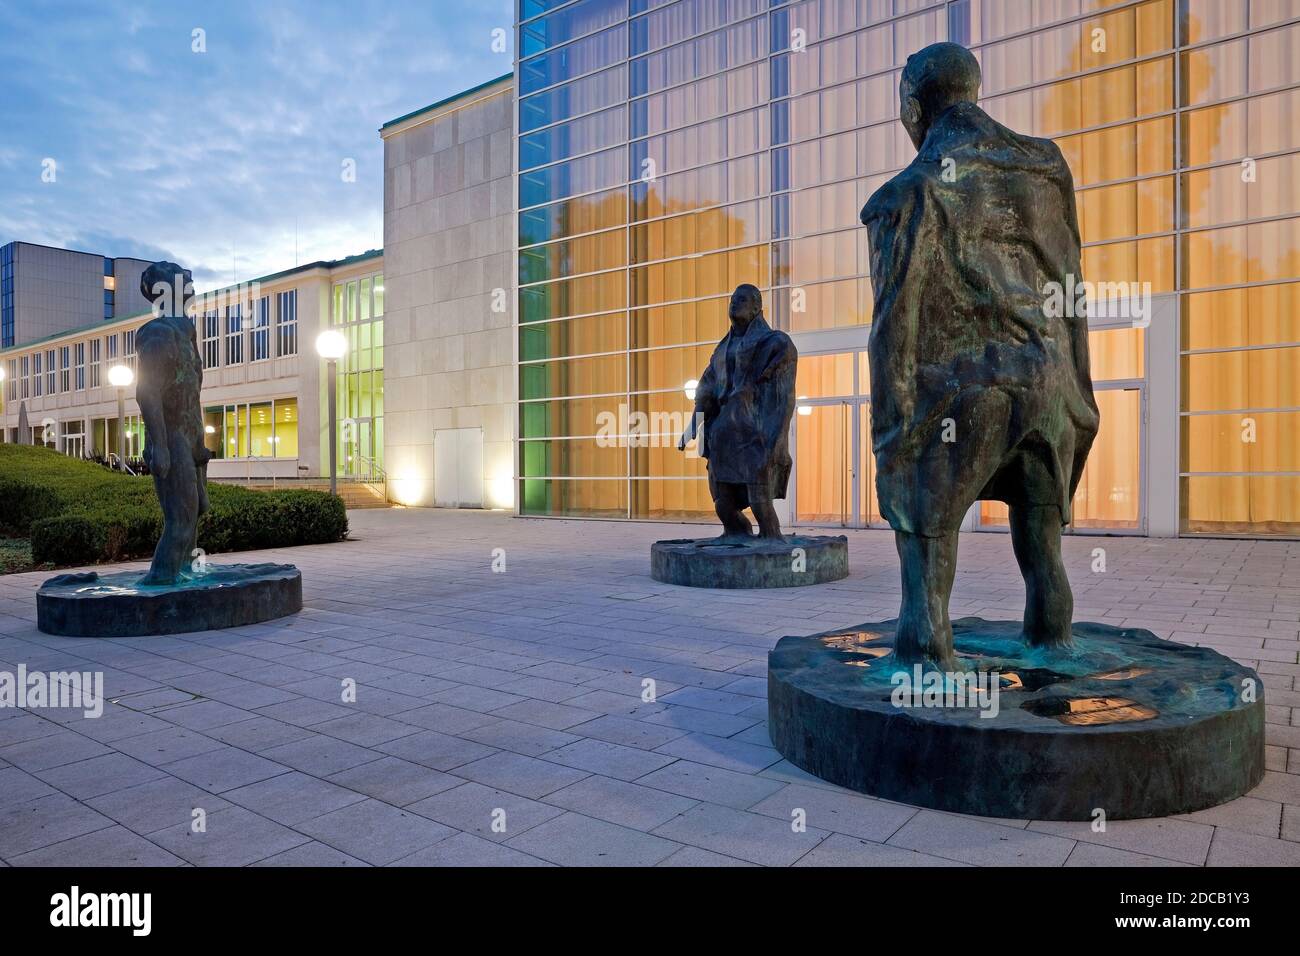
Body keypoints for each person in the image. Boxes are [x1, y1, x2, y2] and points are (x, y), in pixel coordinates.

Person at [860, 42, 1099, 668]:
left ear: (913, 107)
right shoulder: (1047, 167)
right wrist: (1078, 393)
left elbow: (895, 323)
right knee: (1041, 541)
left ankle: (925, 653)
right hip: (1050, 383)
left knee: (925, 525)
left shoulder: (904, 196)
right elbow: (1070, 288)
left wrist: (894, 428)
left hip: (970, 390)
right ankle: (1052, 643)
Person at [678, 284, 797, 541]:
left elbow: (783, 400)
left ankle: (772, 541)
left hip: (754, 437)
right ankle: (736, 534)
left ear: (757, 308)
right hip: (722, 438)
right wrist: (691, 428)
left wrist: (774, 441)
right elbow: (705, 391)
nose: (734, 303)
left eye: (741, 299)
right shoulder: (722, 350)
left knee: (760, 504)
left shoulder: (776, 343)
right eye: (732, 299)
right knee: (722, 502)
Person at [134, 261, 212, 585]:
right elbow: (147, 391)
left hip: (189, 439)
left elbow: (191, 393)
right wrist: (161, 446)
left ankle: (185, 576)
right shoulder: (159, 333)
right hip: (172, 438)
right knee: (180, 519)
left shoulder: (186, 332)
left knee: (197, 511)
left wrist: (199, 442)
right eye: (181, 275)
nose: (191, 278)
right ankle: (160, 583)